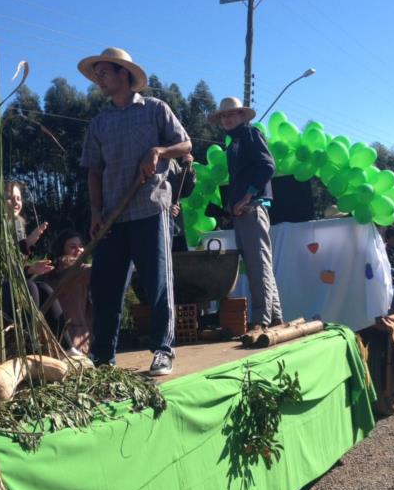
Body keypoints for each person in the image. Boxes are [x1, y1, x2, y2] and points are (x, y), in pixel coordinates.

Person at [78, 47, 191, 376]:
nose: (99, 80)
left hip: (151, 208)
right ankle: (103, 358)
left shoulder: (156, 109)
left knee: (157, 282)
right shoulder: (99, 123)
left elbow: (185, 146)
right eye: (96, 75)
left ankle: (163, 350)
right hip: (113, 216)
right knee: (105, 287)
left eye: (104, 73)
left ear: (123, 74)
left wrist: (159, 150)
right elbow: (94, 171)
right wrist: (95, 212)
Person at [209, 97, 283, 331]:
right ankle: (275, 315)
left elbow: (268, 165)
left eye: (232, 114)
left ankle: (261, 318)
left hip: (252, 208)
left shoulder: (250, 134)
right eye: (223, 115)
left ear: (242, 116)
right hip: (242, 211)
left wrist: (247, 196)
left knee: (258, 263)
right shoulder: (234, 142)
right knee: (258, 264)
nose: (227, 118)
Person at [3, 181, 70, 350]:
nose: (16, 202)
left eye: (18, 198)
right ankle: (29, 347)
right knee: (30, 288)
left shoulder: (18, 225)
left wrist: (30, 265)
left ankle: (66, 347)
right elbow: (0, 268)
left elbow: (16, 266)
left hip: (11, 282)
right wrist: (28, 259)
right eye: (10, 198)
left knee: (45, 289)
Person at [45, 230, 93, 353]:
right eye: (73, 247)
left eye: (81, 246)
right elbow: (100, 270)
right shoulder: (75, 270)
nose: (79, 250)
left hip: (52, 337)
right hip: (74, 337)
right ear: (62, 250)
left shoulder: (49, 271)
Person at [165, 153, 196, 251]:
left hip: (176, 228)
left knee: (181, 263)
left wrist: (188, 169)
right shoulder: (147, 160)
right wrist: (167, 208)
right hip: (155, 228)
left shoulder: (172, 162)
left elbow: (185, 191)